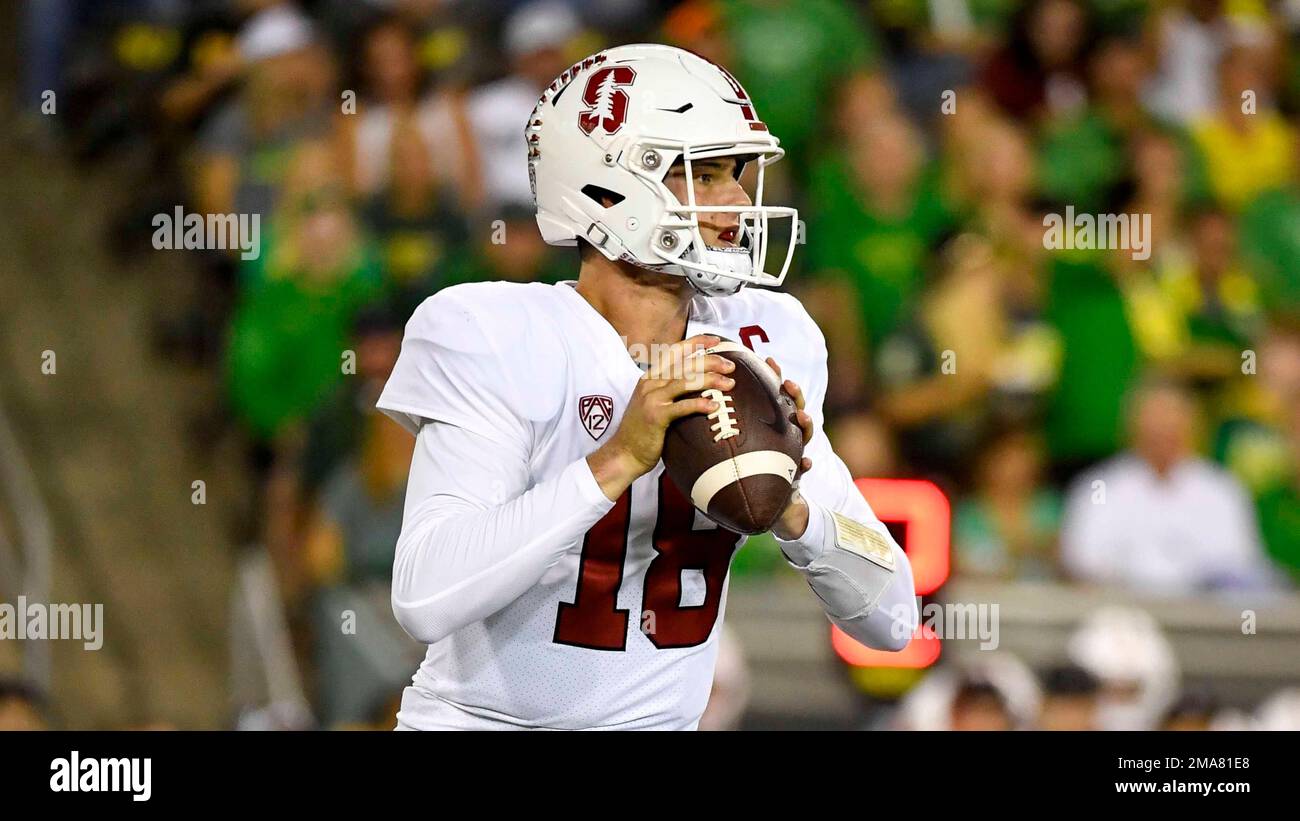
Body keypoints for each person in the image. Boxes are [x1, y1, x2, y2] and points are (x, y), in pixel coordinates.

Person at [377, 44, 918, 730]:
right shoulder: (494, 333)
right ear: (606, 188)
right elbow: (426, 595)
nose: (737, 201)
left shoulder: (766, 335)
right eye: (704, 173)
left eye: (739, 172)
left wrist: (794, 507)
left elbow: (896, 618)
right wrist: (615, 462)